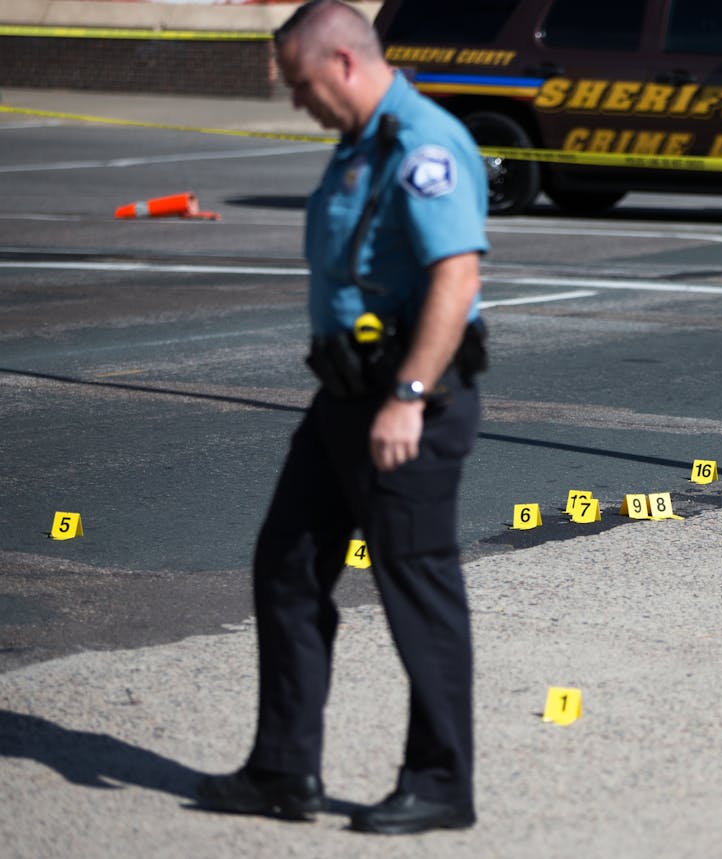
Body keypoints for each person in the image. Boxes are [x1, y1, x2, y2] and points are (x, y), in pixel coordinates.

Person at [196, 0, 488, 835]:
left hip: (409, 403)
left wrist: (406, 398)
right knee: (285, 565)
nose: (297, 102)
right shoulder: (359, 144)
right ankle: (284, 769)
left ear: (346, 62)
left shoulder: (422, 146)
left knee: (417, 587)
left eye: (301, 84)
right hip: (345, 396)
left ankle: (440, 782)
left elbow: (455, 279)